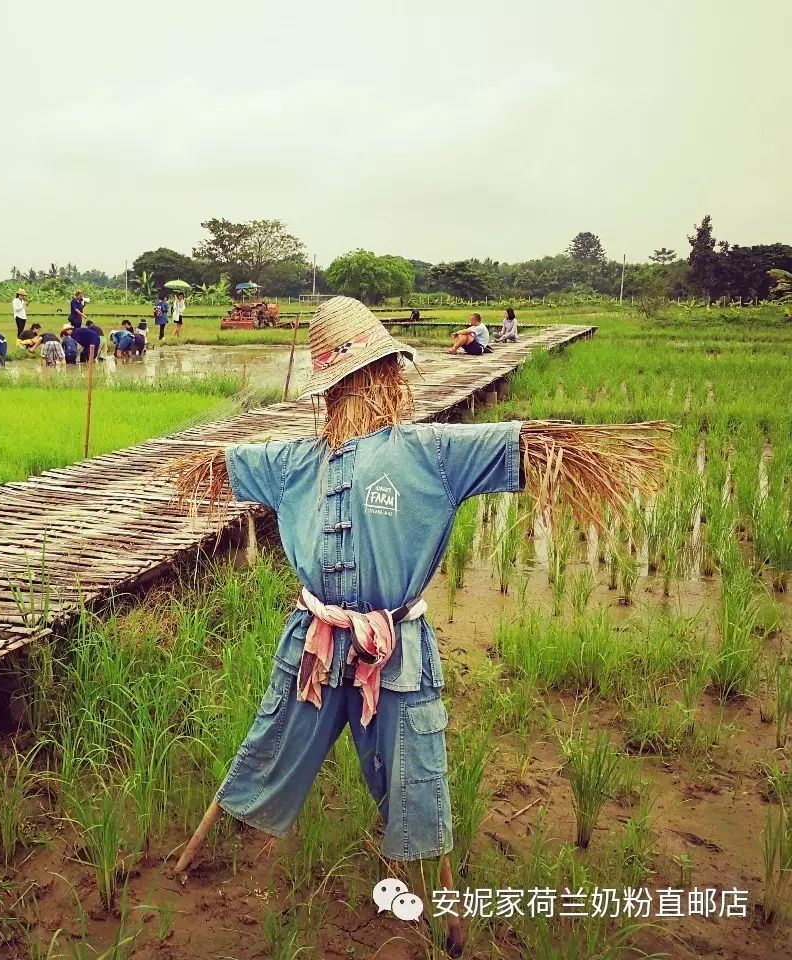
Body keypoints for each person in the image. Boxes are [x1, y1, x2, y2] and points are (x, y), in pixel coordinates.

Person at [168, 297, 671, 957]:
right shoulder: (298, 461)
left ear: (330, 389)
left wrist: (185, 463)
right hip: (315, 647)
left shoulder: (429, 454)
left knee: (416, 775)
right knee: (269, 743)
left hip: (394, 651)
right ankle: (215, 845)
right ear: (388, 375)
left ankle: (447, 916)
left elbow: (527, 445)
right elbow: (222, 464)